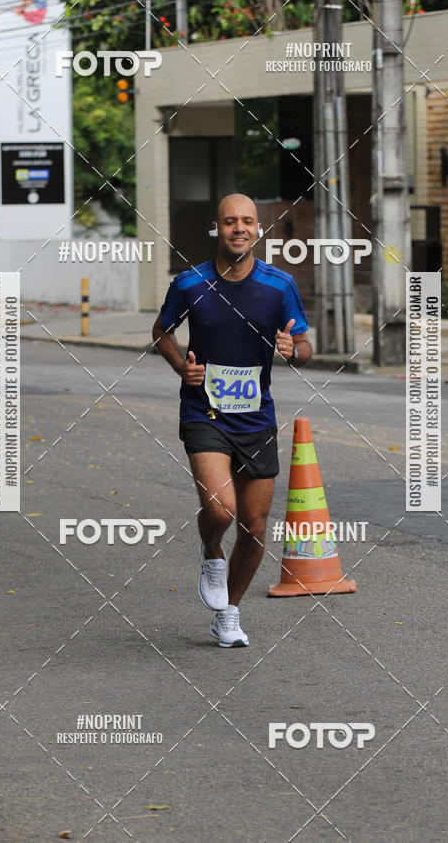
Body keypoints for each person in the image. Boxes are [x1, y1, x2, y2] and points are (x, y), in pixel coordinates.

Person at [152, 193, 313, 647]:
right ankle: (210, 553)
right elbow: (161, 331)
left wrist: (293, 353)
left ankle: (230, 612)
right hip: (204, 412)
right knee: (221, 508)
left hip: (257, 418)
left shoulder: (279, 286)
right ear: (217, 228)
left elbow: (304, 347)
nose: (238, 228)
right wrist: (182, 365)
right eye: (229, 222)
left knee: (256, 525)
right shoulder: (190, 283)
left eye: (246, 221)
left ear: (257, 228)